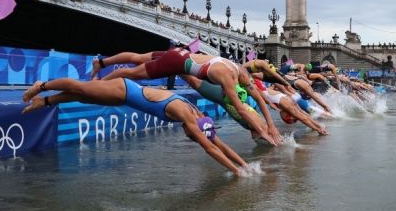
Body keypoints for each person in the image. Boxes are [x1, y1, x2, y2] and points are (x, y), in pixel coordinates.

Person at [22, 78, 252, 176]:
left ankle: (46, 101)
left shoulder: (199, 116)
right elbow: (211, 149)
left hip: (126, 97)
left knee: (84, 98)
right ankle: (41, 86)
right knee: (81, 88)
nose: (188, 134)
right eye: (191, 136)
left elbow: (218, 143)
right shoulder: (190, 120)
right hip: (126, 90)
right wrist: (237, 172)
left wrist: (245, 166)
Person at [90, 48, 280, 145]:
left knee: (137, 58)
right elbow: (240, 108)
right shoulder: (228, 78)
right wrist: (263, 132)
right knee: (131, 73)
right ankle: (98, 85)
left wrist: (270, 123)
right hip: (175, 63)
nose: (246, 87)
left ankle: (101, 62)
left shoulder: (237, 68)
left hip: (180, 54)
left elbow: (257, 94)